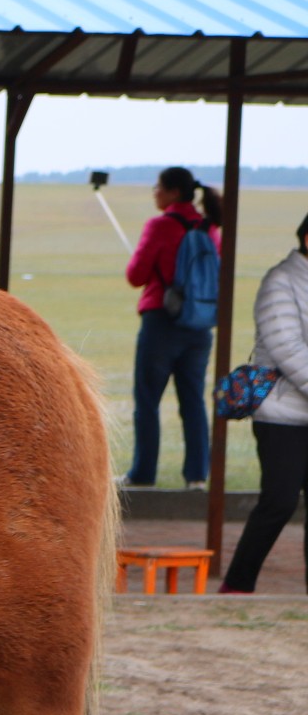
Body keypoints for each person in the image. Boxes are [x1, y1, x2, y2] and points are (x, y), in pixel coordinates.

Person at [219, 212, 308, 593]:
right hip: (282, 415)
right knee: (279, 502)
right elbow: (286, 348)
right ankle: (237, 585)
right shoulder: (281, 281)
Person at [123, 166, 226, 488]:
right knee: (193, 401)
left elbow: (135, 275)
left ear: (173, 192)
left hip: (162, 322)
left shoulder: (160, 226)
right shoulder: (209, 228)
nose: (154, 192)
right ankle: (196, 476)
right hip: (199, 326)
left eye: (158, 187)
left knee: (148, 400)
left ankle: (143, 474)